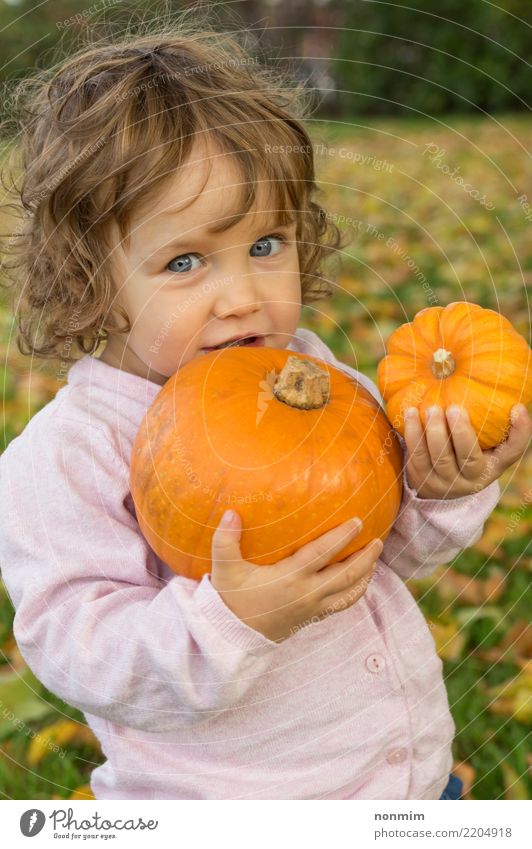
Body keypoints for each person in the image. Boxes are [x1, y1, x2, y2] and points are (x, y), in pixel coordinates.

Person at [0, 25, 530, 801]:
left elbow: (392, 551)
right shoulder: (71, 456)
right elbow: (82, 652)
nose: (244, 294)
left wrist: (441, 485)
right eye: (185, 262)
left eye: (266, 243)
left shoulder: (310, 374)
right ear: (91, 280)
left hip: (409, 784)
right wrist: (230, 618)